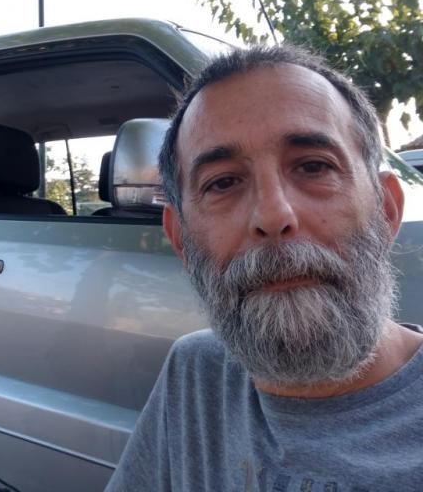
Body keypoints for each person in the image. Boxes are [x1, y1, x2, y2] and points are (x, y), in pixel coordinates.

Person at [106, 46, 423, 492]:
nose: (273, 216)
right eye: (223, 182)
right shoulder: (197, 370)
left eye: (314, 166)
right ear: (181, 239)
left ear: (386, 210)